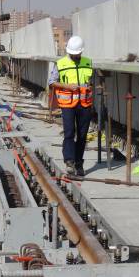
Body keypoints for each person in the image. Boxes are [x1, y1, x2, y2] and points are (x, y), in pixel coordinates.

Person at [48, 36, 93, 176]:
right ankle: (69, 161)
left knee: (82, 135)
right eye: (72, 53)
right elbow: (51, 82)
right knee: (69, 133)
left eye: (76, 53)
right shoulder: (60, 63)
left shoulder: (88, 62)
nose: (74, 55)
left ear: (81, 52)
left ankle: (79, 163)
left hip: (84, 103)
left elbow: (90, 81)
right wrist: (67, 86)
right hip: (68, 104)